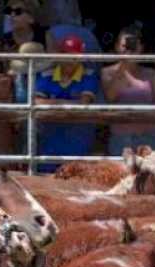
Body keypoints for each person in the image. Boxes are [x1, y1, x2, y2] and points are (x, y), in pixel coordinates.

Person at [33, 34, 99, 172]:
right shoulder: (47, 74)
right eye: (66, 54)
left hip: (78, 139)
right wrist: (69, 102)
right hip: (50, 140)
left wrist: (51, 102)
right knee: (46, 182)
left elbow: (84, 103)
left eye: (75, 55)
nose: (70, 59)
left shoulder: (89, 74)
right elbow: (36, 102)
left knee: (76, 181)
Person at [100, 25, 155, 155]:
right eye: (125, 46)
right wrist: (124, 67)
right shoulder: (107, 73)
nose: (129, 49)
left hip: (152, 137)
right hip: (122, 139)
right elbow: (110, 98)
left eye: (133, 45)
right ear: (116, 47)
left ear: (141, 48)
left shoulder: (151, 74)